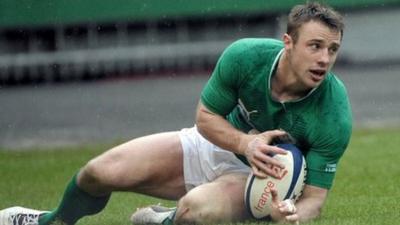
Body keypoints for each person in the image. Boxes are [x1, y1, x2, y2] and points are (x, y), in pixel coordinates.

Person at [0, 2, 352, 225]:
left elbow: (315, 200)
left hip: (255, 182)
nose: (324, 58)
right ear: (288, 43)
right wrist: (246, 144)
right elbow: (205, 117)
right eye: (315, 46)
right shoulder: (246, 57)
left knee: (193, 212)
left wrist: (289, 216)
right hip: (212, 144)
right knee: (97, 172)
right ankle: (50, 221)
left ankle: (166, 220)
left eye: (332, 49)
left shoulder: (334, 110)